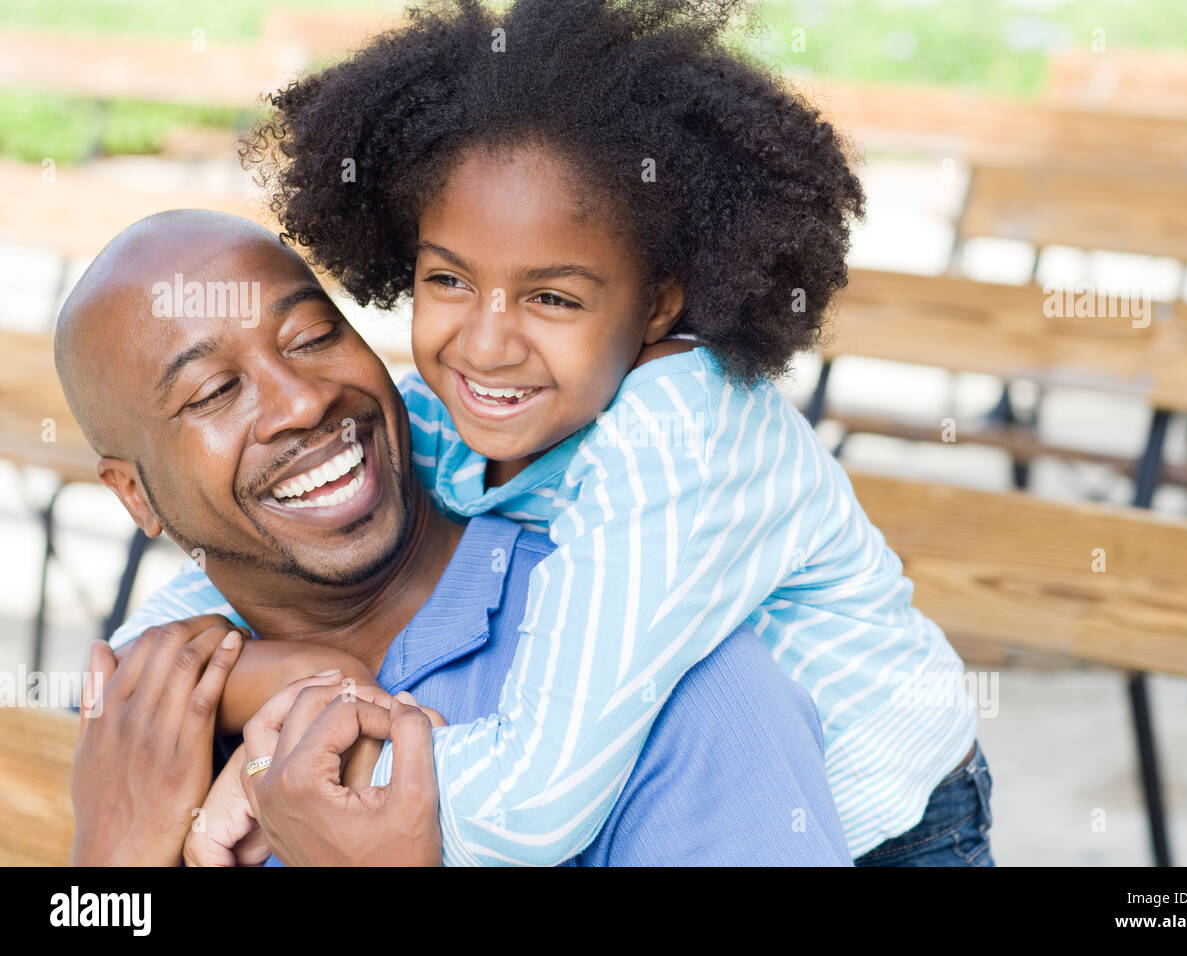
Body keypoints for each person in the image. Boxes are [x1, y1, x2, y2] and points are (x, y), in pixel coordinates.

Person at [112, 0, 992, 867]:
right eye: (449, 280)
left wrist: (289, 770)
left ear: (659, 303)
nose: (486, 344)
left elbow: (529, 812)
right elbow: (148, 652)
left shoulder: (684, 436)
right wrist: (267, 677)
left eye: (553, 298)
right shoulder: (444, 416)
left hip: (894, 830)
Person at [59, 209, 852, 866]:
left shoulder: (682, 691)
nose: (301, 402)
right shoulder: (160, 712)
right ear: (135, 494)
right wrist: (111, 860)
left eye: (310, 337)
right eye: (216, 391)